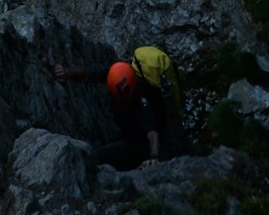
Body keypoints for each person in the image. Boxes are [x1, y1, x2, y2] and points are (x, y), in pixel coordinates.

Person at [53, 60, 187, 171]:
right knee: (108, 149)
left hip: (141, 143)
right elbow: (89, 75)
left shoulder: (142, 99)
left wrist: (153, 156)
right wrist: (68, 73)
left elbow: (151, 131)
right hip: (131, 134)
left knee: (100, 156)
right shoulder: (119, 74)